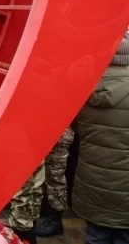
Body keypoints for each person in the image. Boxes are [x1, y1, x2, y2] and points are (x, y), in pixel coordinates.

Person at [72, 32, 129, 244]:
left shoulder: (85, 90)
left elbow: (77, 128)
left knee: (96, 236)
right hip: (126, 188)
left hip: (92, 180)